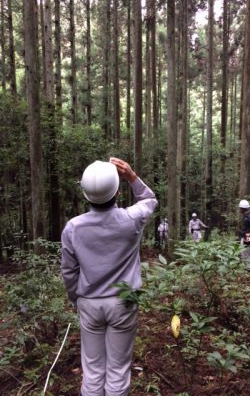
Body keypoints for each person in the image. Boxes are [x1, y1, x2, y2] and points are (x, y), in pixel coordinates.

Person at [61, 157, 158, 396]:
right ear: (116, 190)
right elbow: (150, 200)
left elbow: (69, 271)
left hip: (90, 303)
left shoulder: (74, 227)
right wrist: (132, 177)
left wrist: (76, 299)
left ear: (85, 194)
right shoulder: (131, 219)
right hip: (123, 302)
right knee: (118, 369)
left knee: (93, 371)